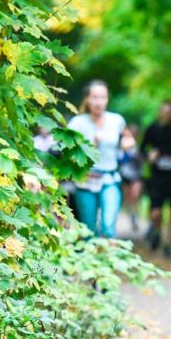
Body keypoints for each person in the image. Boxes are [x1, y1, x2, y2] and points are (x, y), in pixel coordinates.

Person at [67, 80, 127, 238]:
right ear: (87, 99)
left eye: (102, 97)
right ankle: (91, 253)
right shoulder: (77, 124)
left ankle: (110, 253)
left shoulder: (117, 120)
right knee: (89, 231)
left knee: (108, 227)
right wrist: (92, 145)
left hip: (109, 179)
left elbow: (128, 138)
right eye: (94, 97)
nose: (98, 102)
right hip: (85, 180)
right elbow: (69, 155)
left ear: (107, 99)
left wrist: (128, 143)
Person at [141, 99, 171, 258]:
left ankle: (168, 244)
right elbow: (142, 149)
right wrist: (149, 155)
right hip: (157, 177)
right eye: (164, 111)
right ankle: (156, 232)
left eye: (169, 112)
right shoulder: (152, 128)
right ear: (160, 112)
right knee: (156, 213)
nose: (166, 114)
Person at [118, 124, 143, 234]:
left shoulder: (137, 147)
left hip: (136, 176)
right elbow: (120, 160)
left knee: (135, 196)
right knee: (128, 199)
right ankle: (132, 217)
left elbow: (141, 161)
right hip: (125, 176)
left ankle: (135, 217)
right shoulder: (121, 147)